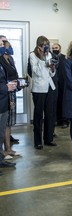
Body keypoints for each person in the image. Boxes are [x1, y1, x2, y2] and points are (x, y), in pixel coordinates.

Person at [30, 36, 57, 150]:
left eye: (47, 45)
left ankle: (48, 139)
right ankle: (38, 142)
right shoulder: (32, 55)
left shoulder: (49, 55)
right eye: (44, 45)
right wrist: (41, 59)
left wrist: (52, 68)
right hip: (39, 89)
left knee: (50, 114)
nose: (46, 48)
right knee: (38, 115)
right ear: (39, 46)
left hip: (49, 87)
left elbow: (51, 74)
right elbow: (36, 72)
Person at [0, 40, 24, 159]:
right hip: (4, 94)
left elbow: (13, 75)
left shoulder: (10, 59)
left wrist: (18, 83)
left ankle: (8, 149)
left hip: (11, 93)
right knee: (3, 125)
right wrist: (8, 85)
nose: (8, 48)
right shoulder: (1, 60)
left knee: (8, 123)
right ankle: (3, 152)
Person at [0, 38, 17, 170]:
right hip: (2, 96)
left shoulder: (5, 60)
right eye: (1, 44)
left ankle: (1, 158)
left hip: (5, 100)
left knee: (2, 132)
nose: (3, 47)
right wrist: (6, 87)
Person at [52, 43, 69, 129]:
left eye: (56, 48)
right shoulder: (50, 58)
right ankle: (56, 120)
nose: (55, 49)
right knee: (55, 102)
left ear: (60, 48)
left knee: (63, 102)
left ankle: (64, 121)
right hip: (54, 84)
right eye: (53, 48)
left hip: (63, 83)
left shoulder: (64, 58)